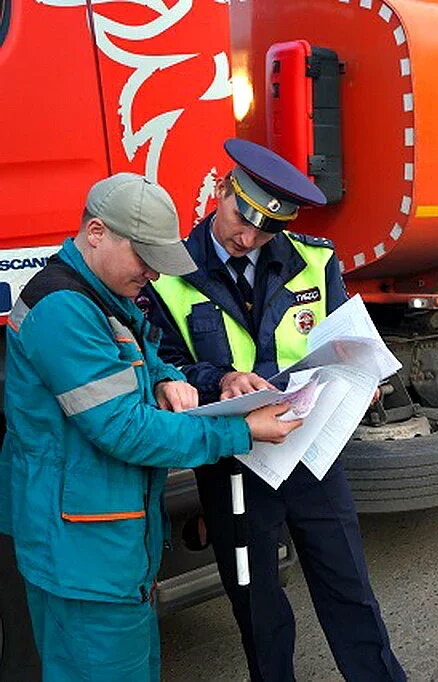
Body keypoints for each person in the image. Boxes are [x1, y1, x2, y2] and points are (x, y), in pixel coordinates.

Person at [0, 173, 302, 681]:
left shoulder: (97, 290)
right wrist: (242, 432)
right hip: (82, 556)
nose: (153, 276)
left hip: (102, 543)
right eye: (145, 259)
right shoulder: (64, 310)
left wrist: (164, 378)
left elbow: (143, 345)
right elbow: (124, 429)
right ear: (97, 232)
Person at [142, 139, 405, 681]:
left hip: (310, 450)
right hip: (236, 459)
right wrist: (220, 378)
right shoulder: (168, 274)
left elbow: (345, 337)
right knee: (257, 603)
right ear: (221, 191)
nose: (248, 237)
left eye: (266, 230)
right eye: (242, 218)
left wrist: (362, 376)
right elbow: (162, 366)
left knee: (348, 585)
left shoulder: (315, 259)